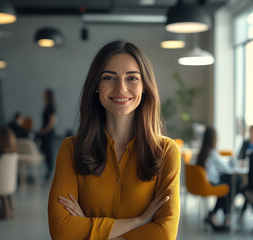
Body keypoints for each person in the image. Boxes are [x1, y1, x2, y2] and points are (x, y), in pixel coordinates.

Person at [48, 40, 180, 240]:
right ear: (96, 86)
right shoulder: (71, 149)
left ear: (145, 87)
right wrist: (140, 221)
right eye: (109, 77)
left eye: (132, 78)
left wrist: (91, 230)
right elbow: (62, 231)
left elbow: (164, 234)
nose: (121, 88)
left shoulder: (166, 151)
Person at [196, 126, 239, 231]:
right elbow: (227, 169)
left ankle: (216, 215)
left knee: (225, 187)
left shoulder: (202, 151)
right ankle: (224, 217)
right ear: (214, 138)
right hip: (210, 183)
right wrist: (234, 165)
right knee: (228, 186)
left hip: (202, 182)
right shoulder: (212, 152)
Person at [38, 89, 57, 180]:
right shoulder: (47, 106)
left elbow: (52, 122)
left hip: (48, 133)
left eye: (44, 94)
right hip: (45, 133)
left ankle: (49, 173)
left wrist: (44, 131)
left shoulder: (50, 107)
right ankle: (47, 173)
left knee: (48, 152)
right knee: (45, 151)